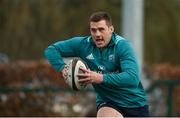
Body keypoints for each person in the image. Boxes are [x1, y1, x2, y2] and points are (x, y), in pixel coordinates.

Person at [44, 11, 149, 117]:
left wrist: (100, 78)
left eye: (101, 29)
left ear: (111, 29)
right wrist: (62, 68)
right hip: (108, 103)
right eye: (93, 30)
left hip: (135, 104)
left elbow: (132, 78)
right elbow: (52, 50)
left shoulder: (123, 46)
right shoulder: (84, 45)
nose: (97, 34)